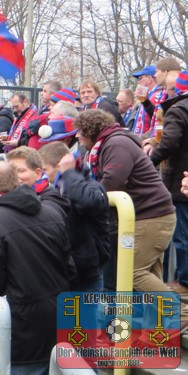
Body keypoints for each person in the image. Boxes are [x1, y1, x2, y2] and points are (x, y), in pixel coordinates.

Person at [0, 161, 74, 374]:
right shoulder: (52, 213)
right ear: (17, 181)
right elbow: (70, 268)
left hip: (16, 332)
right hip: (53, 323)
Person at [74, 109, 177, 299]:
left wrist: (85, 198)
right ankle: (156, 325)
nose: (77, 135)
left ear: (90, 130)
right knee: (149, 275)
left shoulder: (116, 144)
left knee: (133, 273)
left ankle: (180, 312)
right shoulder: (108, 144)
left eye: (80, 131)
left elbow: (112, 182)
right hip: (149, 215)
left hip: (149, 217)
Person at [39, 141, 110, 291]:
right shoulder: (54, 189)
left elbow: (87, 202)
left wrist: (69, 173)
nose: (44, 175)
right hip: (69, 268)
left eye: (45, 170)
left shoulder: (91, 186)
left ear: (60, 167)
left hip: (87, 269)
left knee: (85, 314)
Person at [148, 71, 188, 294]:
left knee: (183, 237)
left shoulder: (179, 109)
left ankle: (184, 283)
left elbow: (170, 142)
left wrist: (148, 161)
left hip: (181, 184)